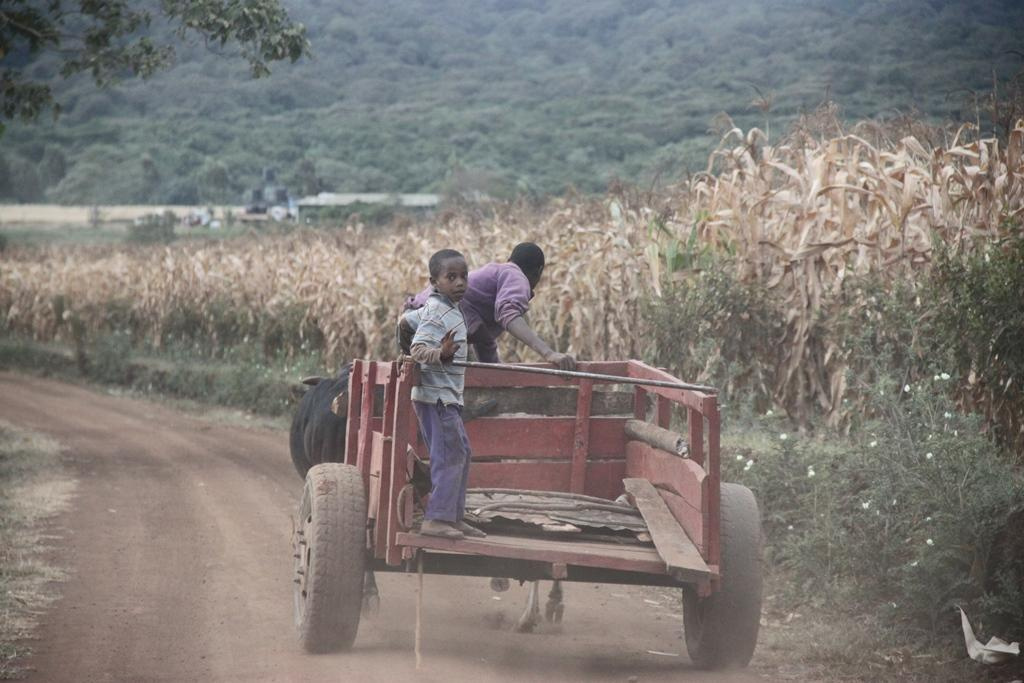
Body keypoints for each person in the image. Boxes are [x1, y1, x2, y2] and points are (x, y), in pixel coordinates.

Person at [399, 242, 575, 370]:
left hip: (416, 320)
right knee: (457, 370)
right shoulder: (515, 274)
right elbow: (508, 314)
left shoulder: (493, 282)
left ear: (510, 259)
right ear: (539, 271)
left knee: (470, 357)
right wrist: (548, 353)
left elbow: (484, 343)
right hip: (431, 320)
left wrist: (496, 381)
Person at [408, 248, 485, 540]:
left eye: (464, 276)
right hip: (435, 398)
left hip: (449, 397)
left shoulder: (452, 308)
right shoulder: (437, 310)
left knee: (462, 452)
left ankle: (453, 516)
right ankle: (436, 518)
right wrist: (440, 353)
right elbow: (417, 349)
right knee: (449, 454)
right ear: (434, 282)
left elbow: (407, 323)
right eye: (451, 277)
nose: (460, 283)